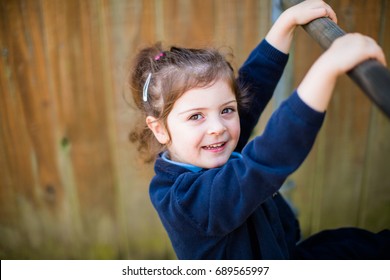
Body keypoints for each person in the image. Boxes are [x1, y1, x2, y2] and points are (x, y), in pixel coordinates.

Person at [129, 0, 389, 259]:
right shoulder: (185, 201)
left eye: (226, 110)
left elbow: (253, 86)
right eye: (196, 116)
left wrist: (285, 25)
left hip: (282, 251)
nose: (218, 128)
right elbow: (261, 163)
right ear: (160, 129)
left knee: (353, 243)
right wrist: (326, 69)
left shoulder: (204, 150)